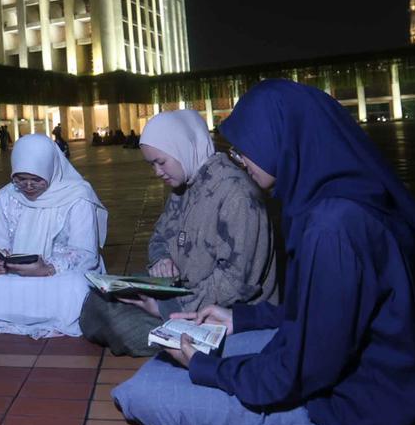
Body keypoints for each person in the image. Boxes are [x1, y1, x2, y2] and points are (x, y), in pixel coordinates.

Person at [111, 80, 415, 425]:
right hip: (364, 388)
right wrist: (241, 319)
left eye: (244, 150)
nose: (239, 161)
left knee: (143, 392)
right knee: (175, 361)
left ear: (281, 140)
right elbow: (324, 315)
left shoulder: (332, 228)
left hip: (358, 424)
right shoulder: (338, 201)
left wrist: (207, 369)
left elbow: (299, 371)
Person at [80, 109, 278, 356]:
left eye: (161, 162)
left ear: (184, 147)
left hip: (224, 311)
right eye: (152, 164)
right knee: (99, 298)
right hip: (181, 290)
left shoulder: (237, 194)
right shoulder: (186, 183)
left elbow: (236, 283)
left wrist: (165, 307)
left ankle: (192, 343)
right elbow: (160, 236)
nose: (157, 172)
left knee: (121, 324)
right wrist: (162, 259)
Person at [0, 133, 107, 338]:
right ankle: (32, 314)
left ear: (50, 169)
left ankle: (8, 312)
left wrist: (47, 268)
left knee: (76, 288)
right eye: (21, 179)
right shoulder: (7, 195)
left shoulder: (78, 196)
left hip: (58, 277)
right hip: (13, 275)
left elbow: (85, 254)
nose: (28, 186)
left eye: (36, 179)